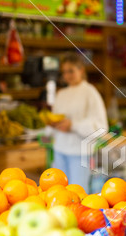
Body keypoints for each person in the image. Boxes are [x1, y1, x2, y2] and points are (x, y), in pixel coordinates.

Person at [48, 52, 108, 192]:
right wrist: (51, 124)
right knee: (58, 192)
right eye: (64, 72)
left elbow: (101, 128)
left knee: (78, 194)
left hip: (80, 153)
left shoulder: (90, 93)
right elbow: (53, 125)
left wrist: (73, 125)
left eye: (71, 71)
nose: (67, 75)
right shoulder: (61, 94)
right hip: (59, 150)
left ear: (81, 70)